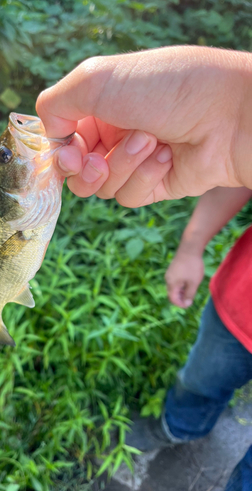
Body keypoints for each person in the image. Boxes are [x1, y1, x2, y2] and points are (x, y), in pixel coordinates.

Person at [36, 45, 252, 490]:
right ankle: (178, 427)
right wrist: (238, 111)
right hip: (240, 304)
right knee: (199, 378)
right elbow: (240, 169)